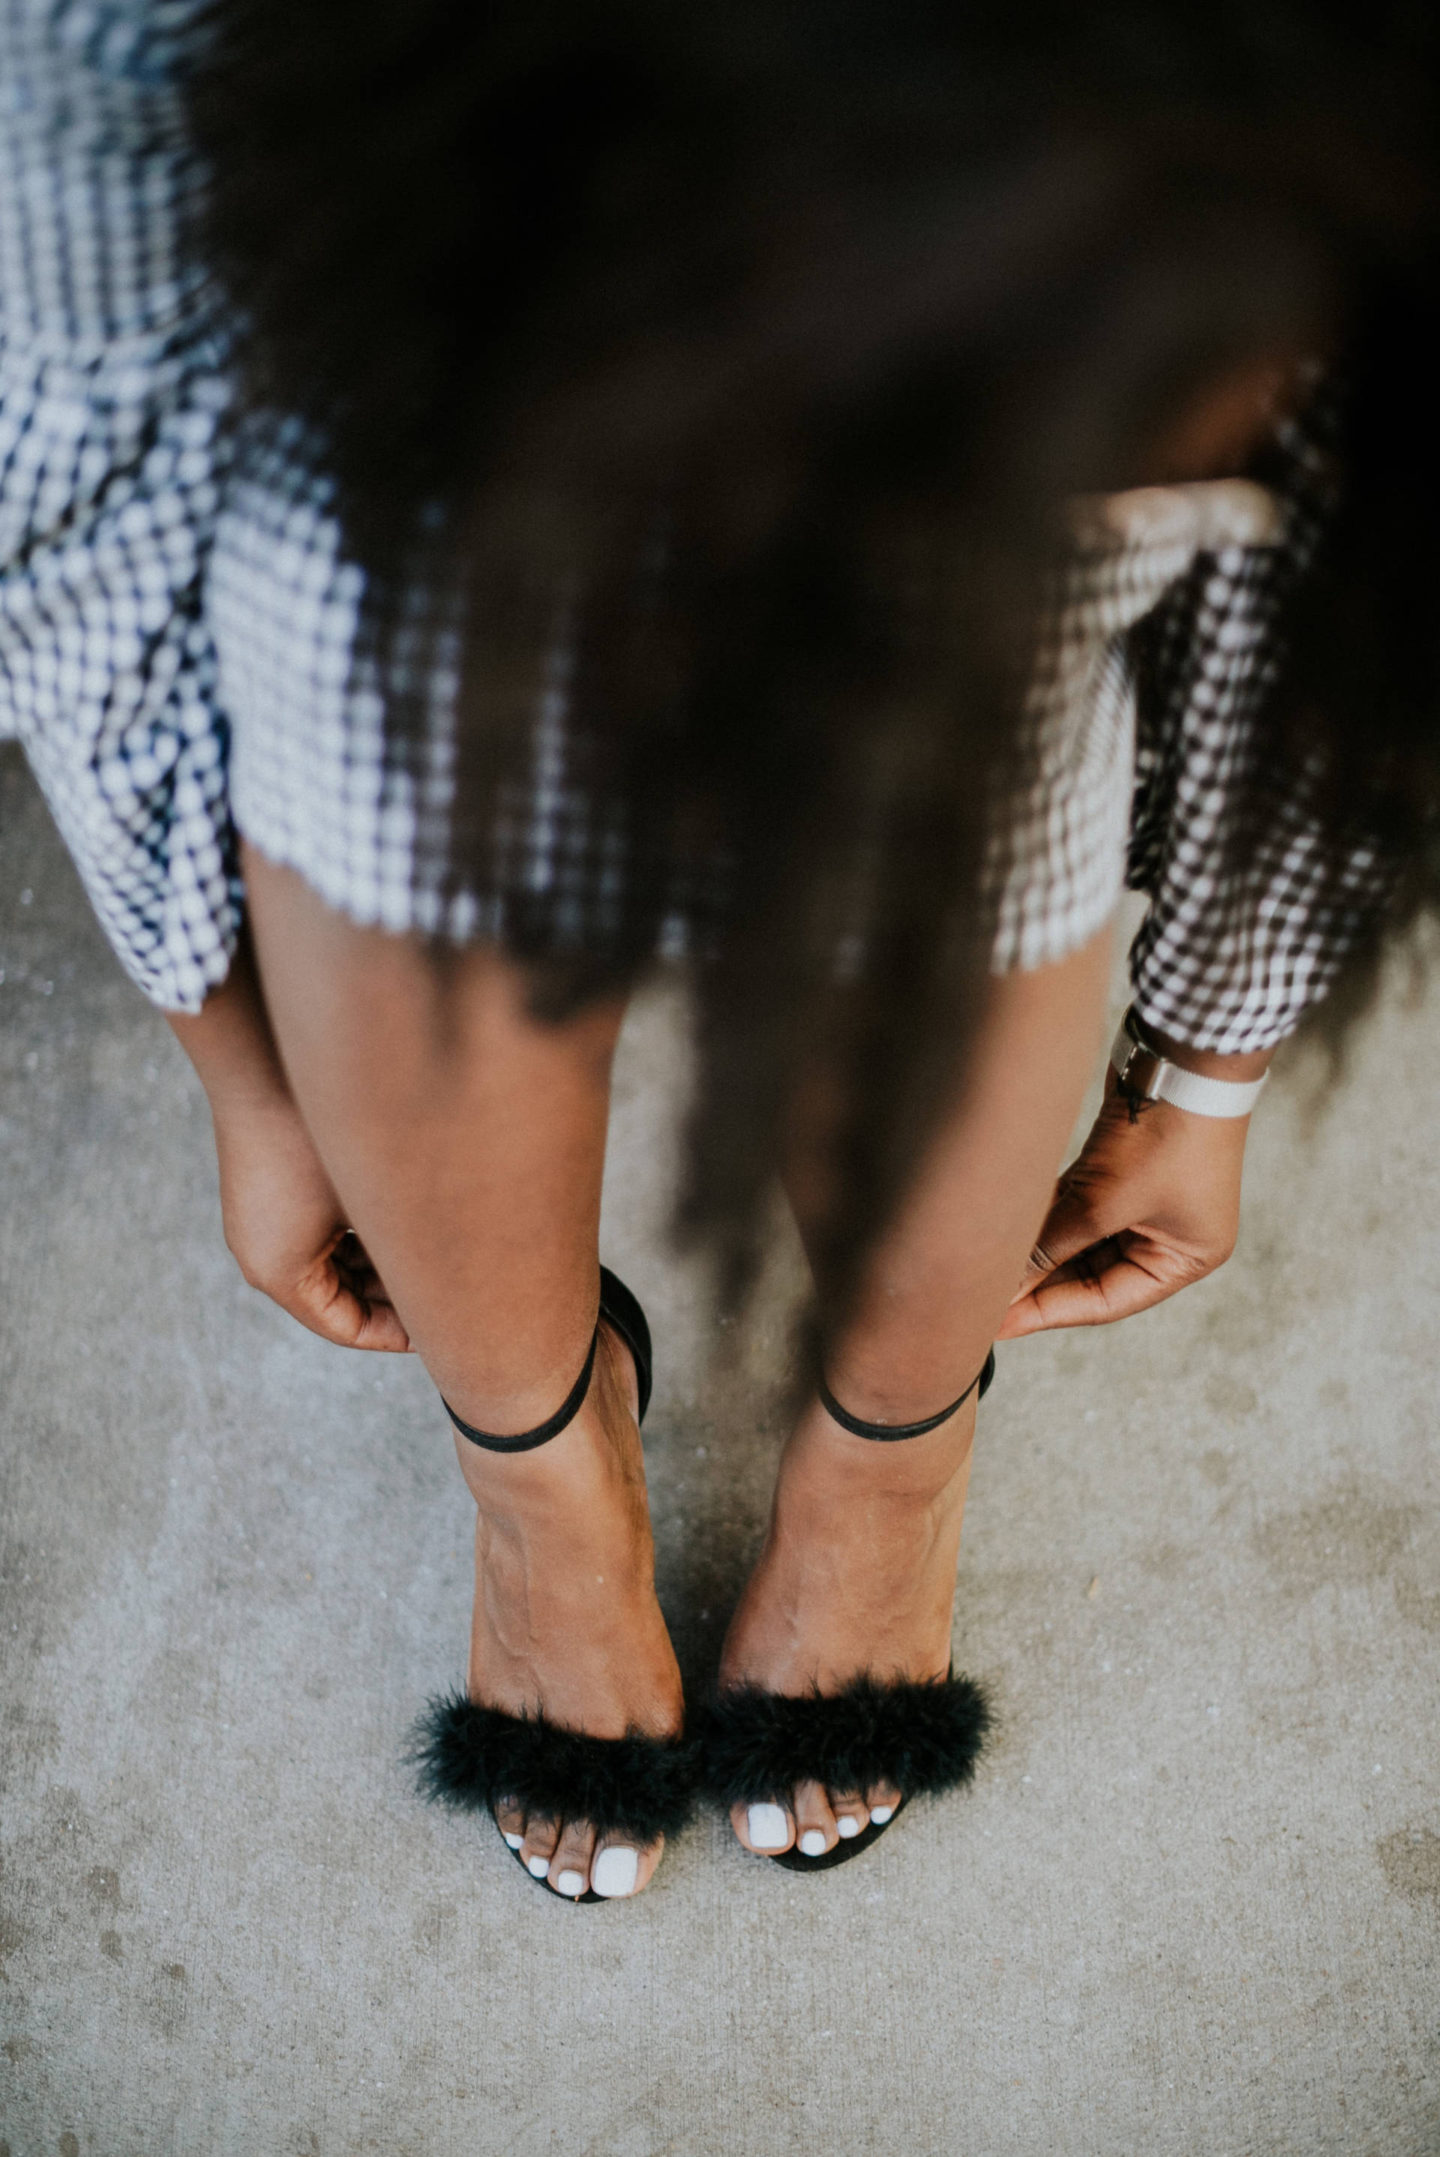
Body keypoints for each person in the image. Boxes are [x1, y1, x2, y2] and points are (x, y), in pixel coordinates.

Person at [3, 0, 1437, 1901]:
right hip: (442, 424)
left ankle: (893, 1461)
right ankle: (536, 1474)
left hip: (1004, 406)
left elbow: (1358, 557)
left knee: (966, 733)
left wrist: (1213, 1053)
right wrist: (233, 1051)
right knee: (385, 703)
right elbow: (73, 484)